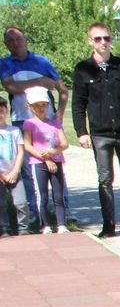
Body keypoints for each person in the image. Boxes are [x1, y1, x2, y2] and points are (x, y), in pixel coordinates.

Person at [71, 21, 120, 237]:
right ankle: (109, 224)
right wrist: (81, 132)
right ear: (90, 41)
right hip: (100, 134)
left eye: (106, 38)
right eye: (98, 39)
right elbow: (78, 104)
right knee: (105, 180)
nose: (103, 42)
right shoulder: (82, 69)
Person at [1, 26, 66, 225]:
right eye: (10, 40)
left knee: (55, 164)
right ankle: (35, 212)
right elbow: (11, 87)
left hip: (46, 121)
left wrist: (60, 113)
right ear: (6, 44)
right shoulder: (5, 63)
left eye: (18, 38)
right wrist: (40, 81)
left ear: (25, 39)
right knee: (29, 169)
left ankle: (62, 210)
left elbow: (61, 89)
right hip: (22, 120)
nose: (15, 43)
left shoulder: (42, 61)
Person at [21, 86, 70, 234]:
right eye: (36, 105)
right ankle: (45, 224)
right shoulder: (29, 123)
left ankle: (61, 223)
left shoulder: (54, 123)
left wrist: (55, 152)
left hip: (56, 161)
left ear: (48, 105)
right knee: (42, 195)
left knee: (58, 193)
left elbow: (64, 143)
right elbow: (28, 146)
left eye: (43, 104)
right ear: (29, 106)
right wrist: (45, 158)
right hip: (39, 163)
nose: (41, 108)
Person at [0, 97, 27, 235]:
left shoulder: (14, 131)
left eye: (1, 111)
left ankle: (23, 228)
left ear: (6, 111)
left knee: (20, 202)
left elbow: (21, 152)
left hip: (14, 172)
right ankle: (4, 228)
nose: (0, 115)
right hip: (0, 174)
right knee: (1, 204)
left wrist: (15, 171)